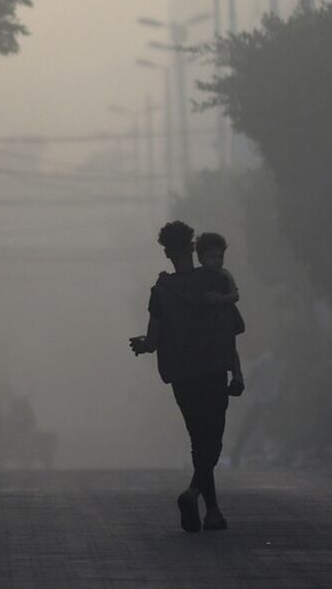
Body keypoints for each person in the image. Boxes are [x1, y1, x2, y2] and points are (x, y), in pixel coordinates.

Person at [131, 221, 233, 533]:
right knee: (212, 439)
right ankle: (193, 494)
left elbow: (152, 340)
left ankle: (213, 511)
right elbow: (230, 328)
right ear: (192, 247)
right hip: (213, 369)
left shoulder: (160, 291)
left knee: (198, 437)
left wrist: (142, 345)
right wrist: (237, 370)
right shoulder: (214, 279)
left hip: (182, 375)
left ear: (166, 253)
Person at [195, 232, 246, 396]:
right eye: (212, 257)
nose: (217, 261)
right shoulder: (198, 276)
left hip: (226, 317)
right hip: (210, 323)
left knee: (231, 347)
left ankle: (237, 376)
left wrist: (220, 299)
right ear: (201, 258)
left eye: (220, 256)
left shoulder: (225, 274)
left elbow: (235, 295)